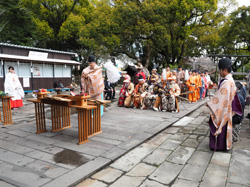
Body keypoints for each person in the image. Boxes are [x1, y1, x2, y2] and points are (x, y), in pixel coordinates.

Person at [206, 58, 242, 151]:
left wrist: (210, 103)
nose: (220, 73)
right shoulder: (230, 80)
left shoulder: (226, 82)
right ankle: (223, 145)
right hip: (227, 108)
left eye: (220, 70)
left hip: (223, 109)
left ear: (225, 70)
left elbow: (220, 98)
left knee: (219, 125)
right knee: (225, 127)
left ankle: (218, 146)